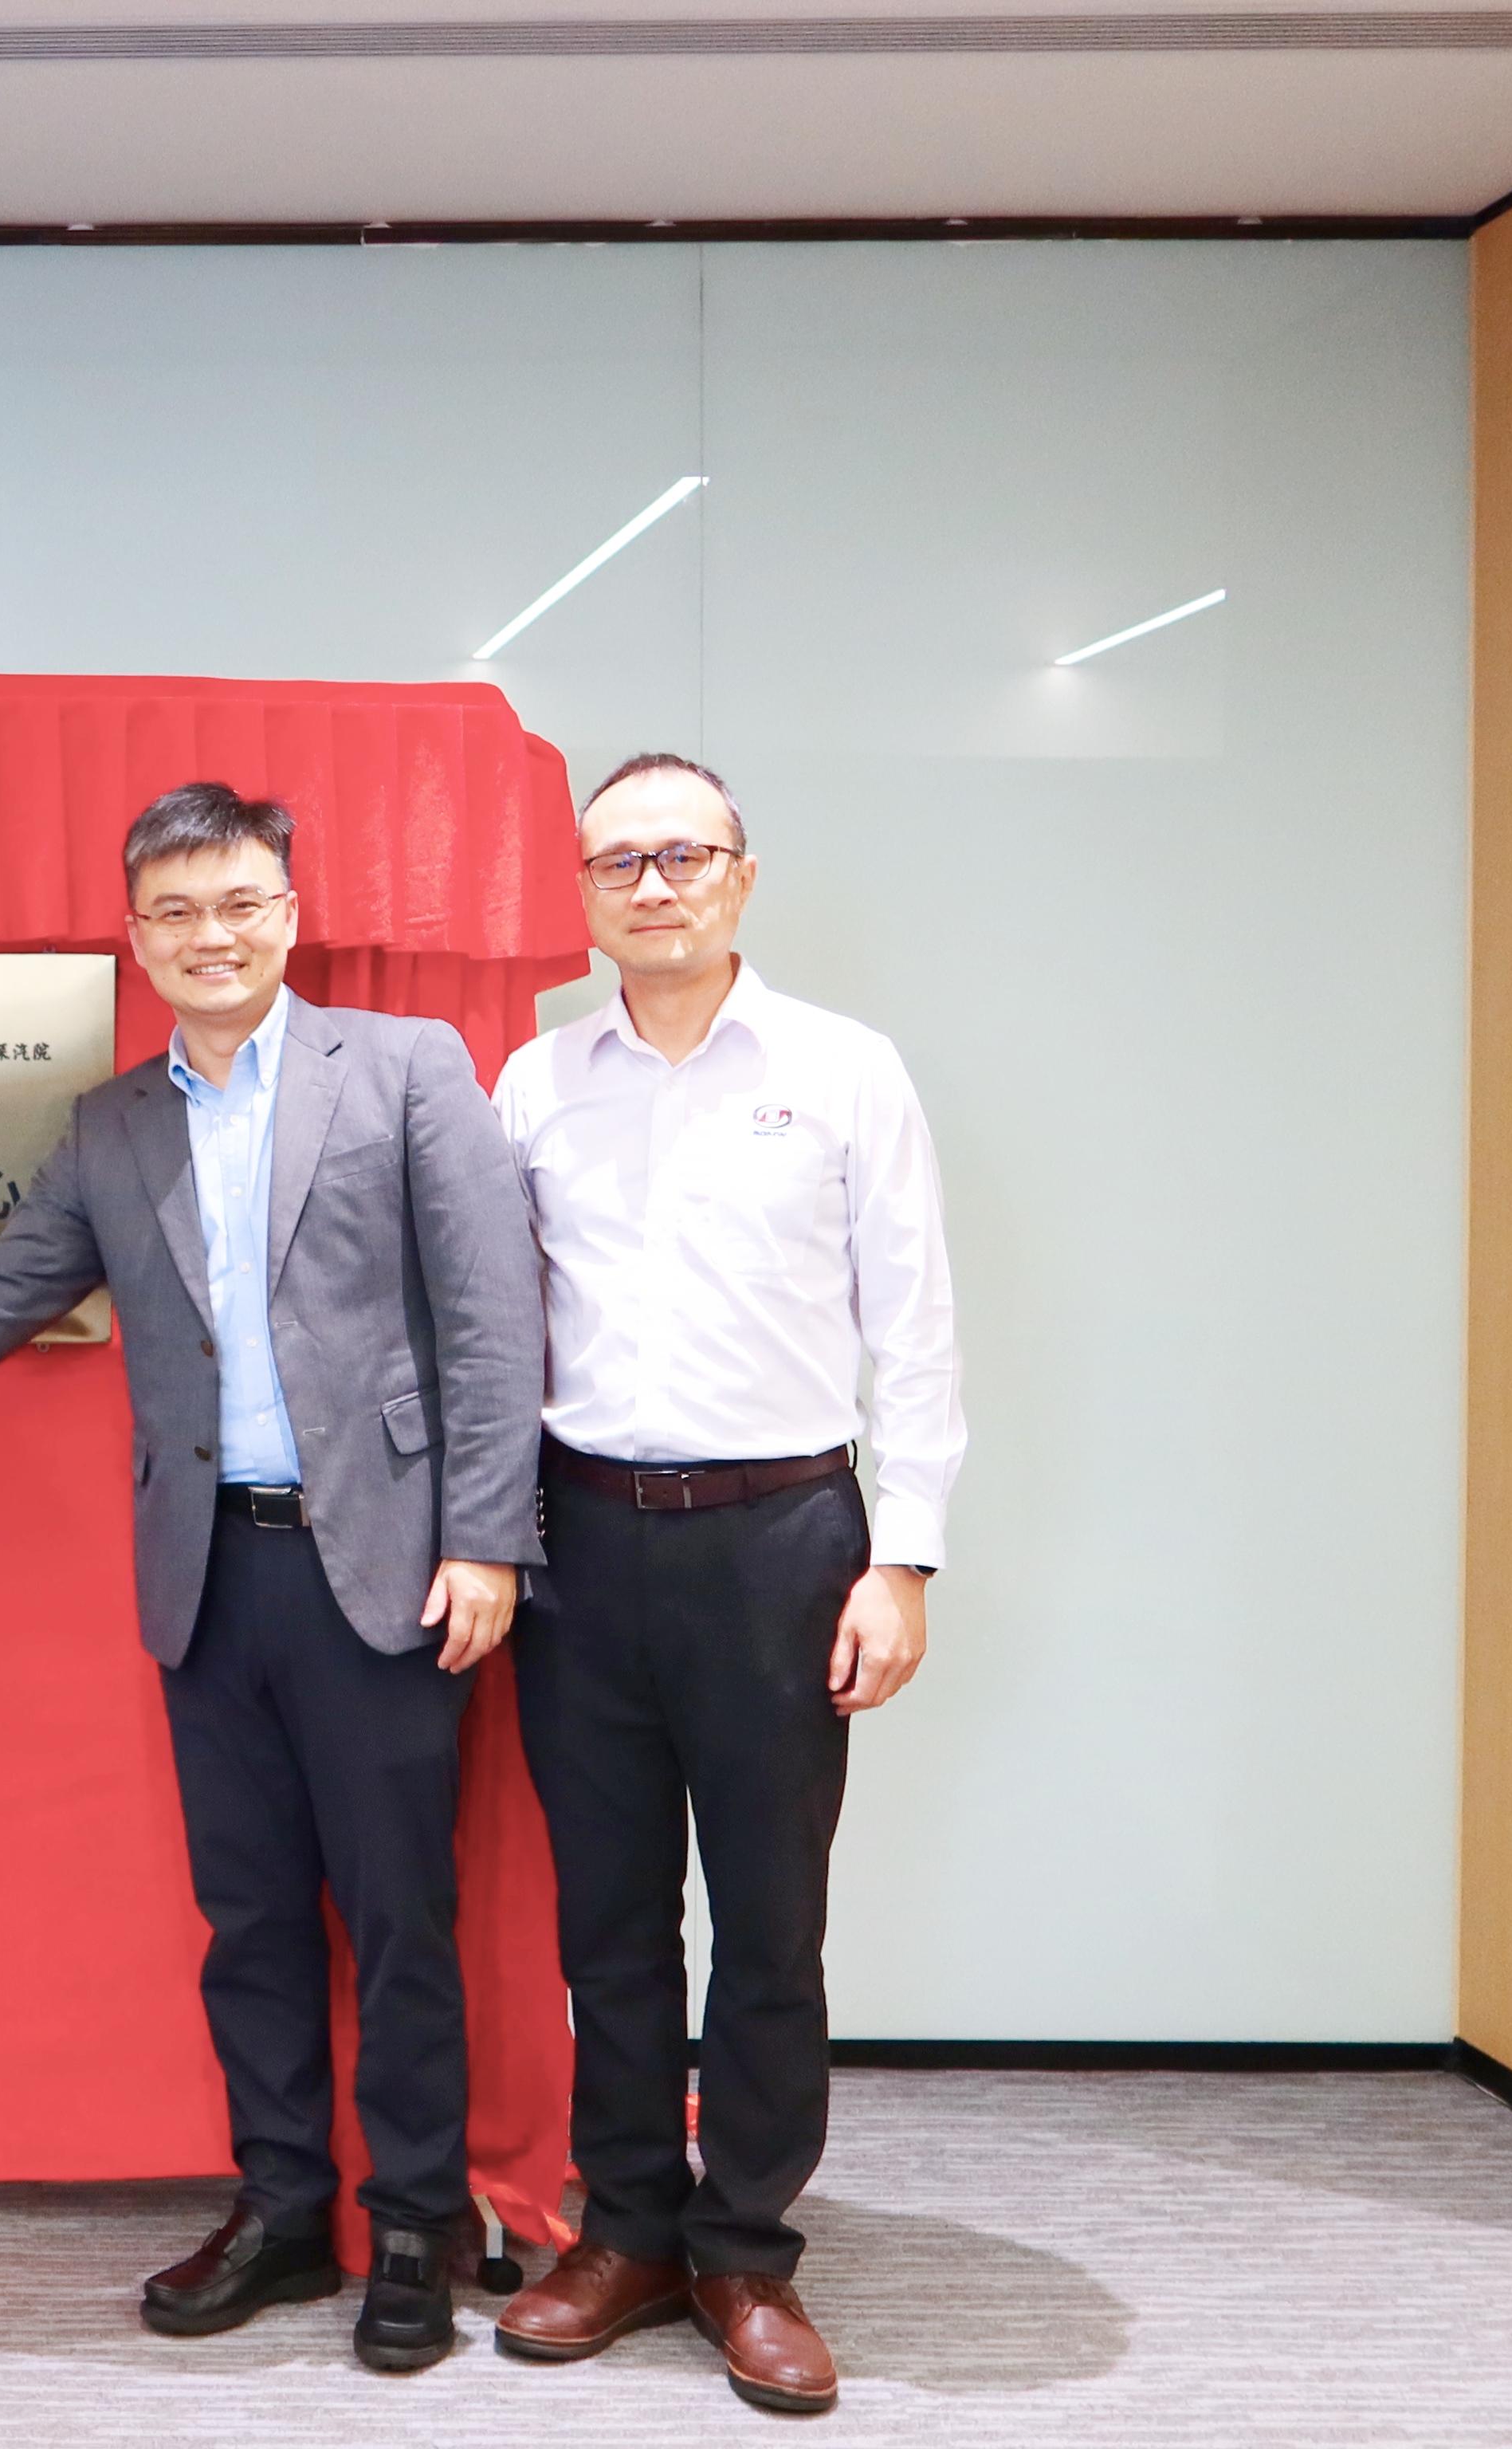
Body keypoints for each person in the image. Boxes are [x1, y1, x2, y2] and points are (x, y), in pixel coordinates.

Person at [0, 781, 544, 2374]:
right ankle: (283, 2209)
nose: (211, 936)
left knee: (402, 1920)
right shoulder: (114, 1126)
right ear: (137, 938)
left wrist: (487, 1537)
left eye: (238, 905)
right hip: (206, 1575)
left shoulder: (407, 1069)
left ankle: (415, 2224)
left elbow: (496, 1320)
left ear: (288, 915)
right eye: (176, 913)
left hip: (387, 1573)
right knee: (250, 1921)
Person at [480, 753, 963, 2416]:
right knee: (609, 1923)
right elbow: (494, 1331)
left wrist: (904, 1558)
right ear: (585, 895)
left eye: (686, 855)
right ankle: (626, 2231)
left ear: (743, 877)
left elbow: (916, 1327)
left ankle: (746, 2249)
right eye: (620, 862)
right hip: (580, 1544)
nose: (656, 885)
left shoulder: (842, 1070)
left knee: (770, 1921)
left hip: (781, 1543)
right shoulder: (535, 1083)